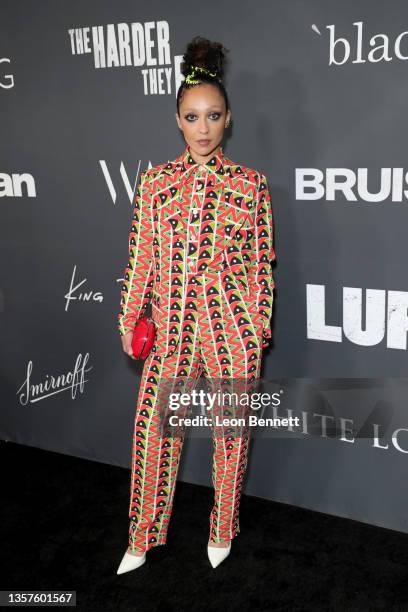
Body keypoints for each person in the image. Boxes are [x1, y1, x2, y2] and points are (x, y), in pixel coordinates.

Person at [116, 35, 276, 574]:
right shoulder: (156, 184)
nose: (202, 127)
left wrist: (255, 331)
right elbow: (140, 259)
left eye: (213, 115)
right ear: (178, 120)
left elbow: (261, 267)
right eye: (192, 116)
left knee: (231, 436)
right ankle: (141, 535)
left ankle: (222, 529)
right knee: (154, 433)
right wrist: (129, 320)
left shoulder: (251, 186)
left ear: (228, 119)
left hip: (230, 331)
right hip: (169, 329)